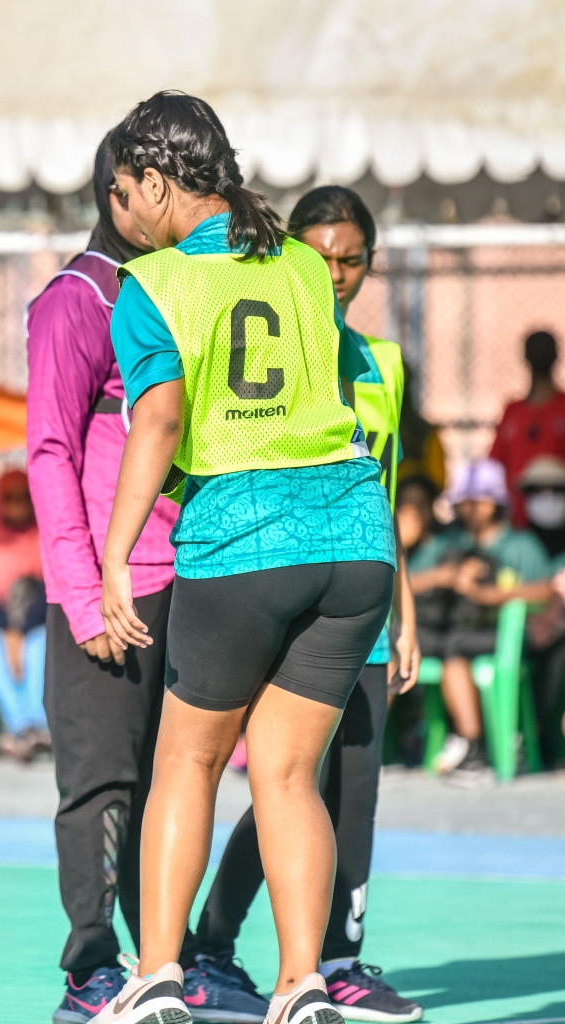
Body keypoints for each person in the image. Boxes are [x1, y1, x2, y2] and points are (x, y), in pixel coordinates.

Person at [91, 91, 396, 1024]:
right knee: (289, 776)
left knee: (185, 761)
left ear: (153, 183)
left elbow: (162, 418)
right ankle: (302, 983)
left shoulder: (152, 286)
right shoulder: (307, 266)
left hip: (244, 539)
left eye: (121, 192)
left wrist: (112, 558)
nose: (118, 212)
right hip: (355, 543)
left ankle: (156, 973)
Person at [29, 130, 263, 1024]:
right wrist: (86, 593)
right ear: (123, 194)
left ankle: (172, 959)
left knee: (188, 776)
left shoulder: (179, 289)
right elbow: (49, 452)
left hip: (193, 574)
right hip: (107, 586)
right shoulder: (77, 300)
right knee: (100, 779)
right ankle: (92, 968)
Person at [192, 185, 425, 1024]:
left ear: (370, 264)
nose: (334, 272)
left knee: (352, 787)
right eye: (319, 254)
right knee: (290, 782)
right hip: (278, 590)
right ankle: (212, 947)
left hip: (361, 595)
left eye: (351, 259)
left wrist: (405, 611)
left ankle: (340, 961)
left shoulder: (384, 363)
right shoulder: (276, 351)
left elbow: (386, 491)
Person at [409, 459, 553, 782]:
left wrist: (488, 595)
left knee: (455, 647)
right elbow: (405, 581)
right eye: (464, 502)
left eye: (478, 501)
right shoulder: (452, 543)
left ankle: (474, 749)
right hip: (453, 634)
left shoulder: (519, 544)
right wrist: (443, 576)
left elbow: (545, 590)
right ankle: (455, 743)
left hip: (503, 639)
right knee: (425, 644)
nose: (470, 509)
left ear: (496, 502)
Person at [0, 468, 51, 760]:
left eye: (23, 496)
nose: (17, 503)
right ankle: (20, 727)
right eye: (9, 497)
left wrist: (20, 633)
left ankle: (37, 726)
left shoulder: (44, 535)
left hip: (37, 624)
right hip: (1, 625)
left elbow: (47, 593)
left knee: (38, 645)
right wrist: (8, 633)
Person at [490, 329, 565, 525]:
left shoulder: (562, 407)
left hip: (557, 515)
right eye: (534, 349)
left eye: (544, 349)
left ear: (557, 355)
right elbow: (496, 463)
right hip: (517, 517)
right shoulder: (512, 411)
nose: (539, 353)